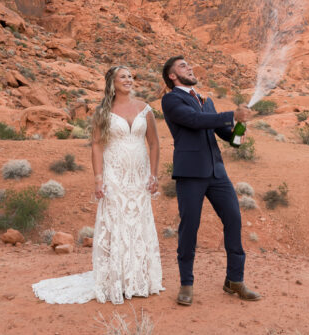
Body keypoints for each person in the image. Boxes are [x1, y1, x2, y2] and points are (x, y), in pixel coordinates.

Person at [32, 65, 164, 304]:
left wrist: (154, 175)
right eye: (123, 76)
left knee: (138, 222)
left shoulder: (145, 109)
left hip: (139, 175)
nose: (128, 79)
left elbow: (154, 144)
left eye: (131, 76)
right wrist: (98, 178)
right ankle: (116, 280)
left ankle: (137, 280)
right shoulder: (103, 111)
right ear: (112, 82)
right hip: (115, 174)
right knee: (117, 223)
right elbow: (96, 145)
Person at [161, 55, 261, 306]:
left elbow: (223, 134)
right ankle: (186, 283)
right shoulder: (171, 99)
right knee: (189, 227)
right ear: (172, 76)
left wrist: (237, 130)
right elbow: (194, 121)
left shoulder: (206, 100)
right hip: (190, 173)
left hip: (217, 172)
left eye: (189, 64)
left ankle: (234, 280)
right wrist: (231, 114)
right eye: (183, 66)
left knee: (234, 219)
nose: (190, 67)